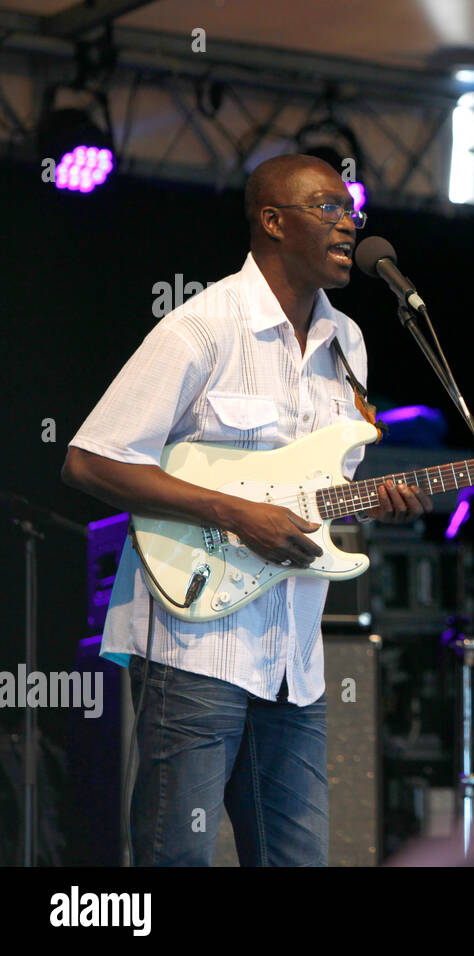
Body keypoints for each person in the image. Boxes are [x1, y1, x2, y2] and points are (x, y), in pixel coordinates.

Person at [62, 154, 434, 866]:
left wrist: (376, 505)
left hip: (295, 658)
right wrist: (235, 513)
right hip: (197, 645)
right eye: (327, 206)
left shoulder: (348, 343)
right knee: (180, 857)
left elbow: (319, 499)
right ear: (272, 220)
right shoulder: (201, 329)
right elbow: (90, 459)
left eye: (351, 209)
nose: (348, 222)